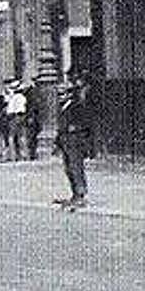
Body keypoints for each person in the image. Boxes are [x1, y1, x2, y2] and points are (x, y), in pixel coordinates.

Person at [55, 68, 93, 210]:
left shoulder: (76, 107)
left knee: (76, 167)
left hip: (75, 141)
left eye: (63, 94)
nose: (60, 97)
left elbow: (85, 124)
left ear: (69, 95)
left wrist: (75, 129)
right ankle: (74, 193)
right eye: (59, 94)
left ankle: (81, 194)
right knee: (68, 168)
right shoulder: (62, 108)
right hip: (65, 141)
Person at [5, 81, 30, 161]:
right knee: (22, 136)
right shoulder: (22, 97)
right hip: (21, 116)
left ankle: (13, 155)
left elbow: (9, 110)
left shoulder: (12, 98)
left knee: (11, 136)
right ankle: (24, 154)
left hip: (13, 117)